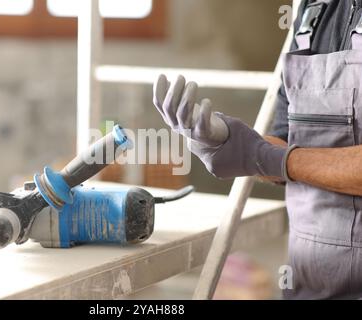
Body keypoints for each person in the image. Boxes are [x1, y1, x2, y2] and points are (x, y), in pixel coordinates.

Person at [153, 0, 362, 299]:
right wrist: (228, 140)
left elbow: (278, 157)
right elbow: (285, 142)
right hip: (309, 281)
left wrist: (264, 156)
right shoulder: (312, 12)